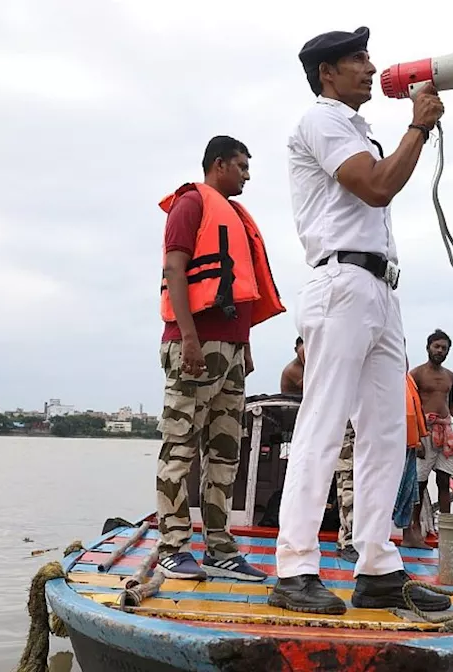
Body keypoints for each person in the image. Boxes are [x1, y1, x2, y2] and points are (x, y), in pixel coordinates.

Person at [271, 26, 451, 616]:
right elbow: (376, 188)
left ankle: (377, 567)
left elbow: (379, 183)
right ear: (327, 72)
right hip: (342, 283)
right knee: (323, 424)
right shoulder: (320, 120)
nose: (371, 68)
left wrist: (412, 132)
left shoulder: (358, 130)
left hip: (377, 288)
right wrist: (419, 127)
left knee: (383, 435)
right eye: (358, 59)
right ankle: (295, 567)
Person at [154, 135, 286, 581]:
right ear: (219, 164)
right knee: (181, 446)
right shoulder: (191, 204)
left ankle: (220, 547)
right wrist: (189, 337)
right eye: (242, 166)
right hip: (194, 344)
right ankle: (172, 546)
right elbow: (175, 268)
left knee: (226, 452)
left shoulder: (235, 215)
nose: (247, 175)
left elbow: (240, 290)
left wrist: (244, 345)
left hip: (230, 349)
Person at [279, 337, 360, 564]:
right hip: (314, 432)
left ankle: (348, 539)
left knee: (348, 482)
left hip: (339, 426)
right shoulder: (293, 371)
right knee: (312, 484)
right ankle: (302, 540)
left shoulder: (328, 362)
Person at [406, 329, 453, 548]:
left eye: (444, 348)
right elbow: (410, 405)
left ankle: (446, 532)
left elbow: (450, 405)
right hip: (424, 432)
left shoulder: (450, 376)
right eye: (436, 346)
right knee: (419, 484)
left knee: (443, 480)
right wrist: (416, 437)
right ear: (428, 347)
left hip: (445, 432)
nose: (440, 351)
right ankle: (415, 531)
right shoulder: (416, 374)